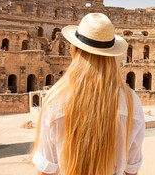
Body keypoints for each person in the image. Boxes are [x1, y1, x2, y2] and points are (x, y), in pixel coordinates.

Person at [32, 13, 145, 175]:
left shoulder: (56, 99)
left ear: (74, 49)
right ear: (113, 55)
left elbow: (46, 170)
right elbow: (131, 170)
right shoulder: (131, 102)